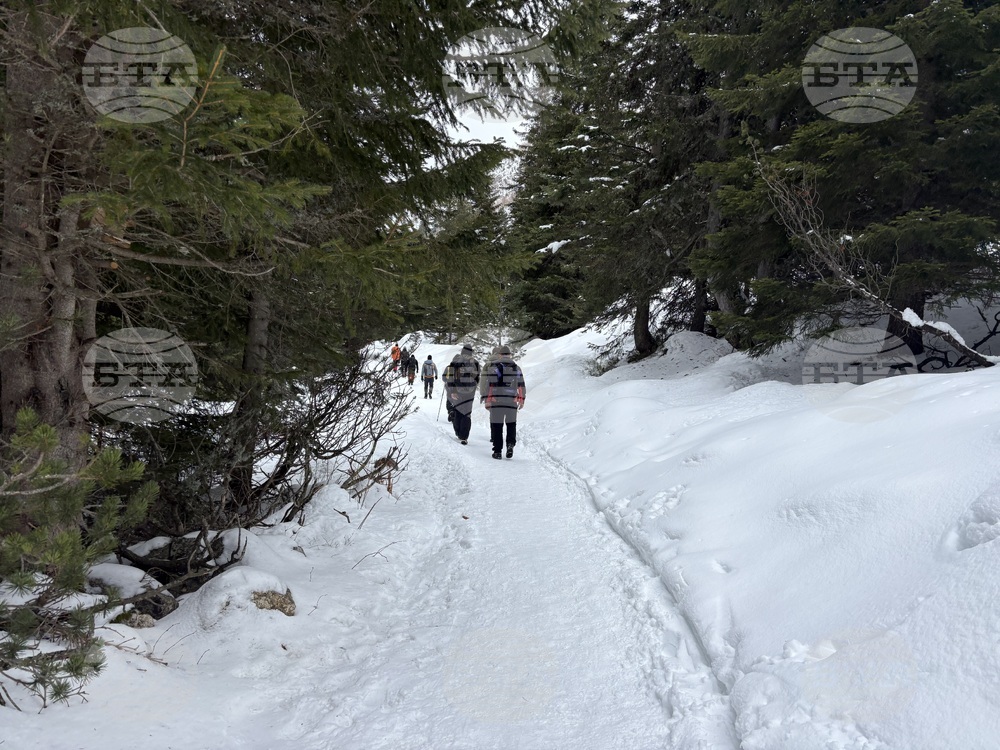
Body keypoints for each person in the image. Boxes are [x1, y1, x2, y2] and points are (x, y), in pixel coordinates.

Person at [484, 345, 525, 459]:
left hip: (497, 401)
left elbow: (489, 385)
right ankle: (510, 445)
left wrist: (488, 400)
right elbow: (521, 385)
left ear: (500, 355)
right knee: (511, 424)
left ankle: (497, 451)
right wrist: (521, 400)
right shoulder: (517, 368)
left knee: (497, 425)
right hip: (512, 400)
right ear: (510, 355)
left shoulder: (493, 367)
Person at [443, 343, 480, 444]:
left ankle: (458, 432)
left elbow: (450, 377)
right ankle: (464, 436)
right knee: (467, 414)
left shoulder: (456, 361)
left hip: (457, 391)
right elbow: (477, 378)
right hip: (470, 393)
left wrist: (452, 392)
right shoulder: (475, 363)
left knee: (458, 411)